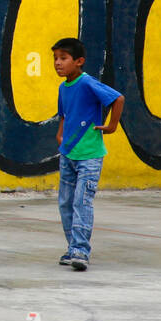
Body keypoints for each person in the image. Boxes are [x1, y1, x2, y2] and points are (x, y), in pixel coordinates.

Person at [51, 37, 123, 271]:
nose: (58, 63)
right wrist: (60, 134)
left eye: (63, 58)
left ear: (79, 61)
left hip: (90, 155)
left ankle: (81, 250)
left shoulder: (87, 83)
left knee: (82, 201)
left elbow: (117, 98)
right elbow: (65, 114)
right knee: (66, 203)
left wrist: (112, 126)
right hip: (68, 154)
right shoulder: (64, 87)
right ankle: (72, 247)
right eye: (55, 59)